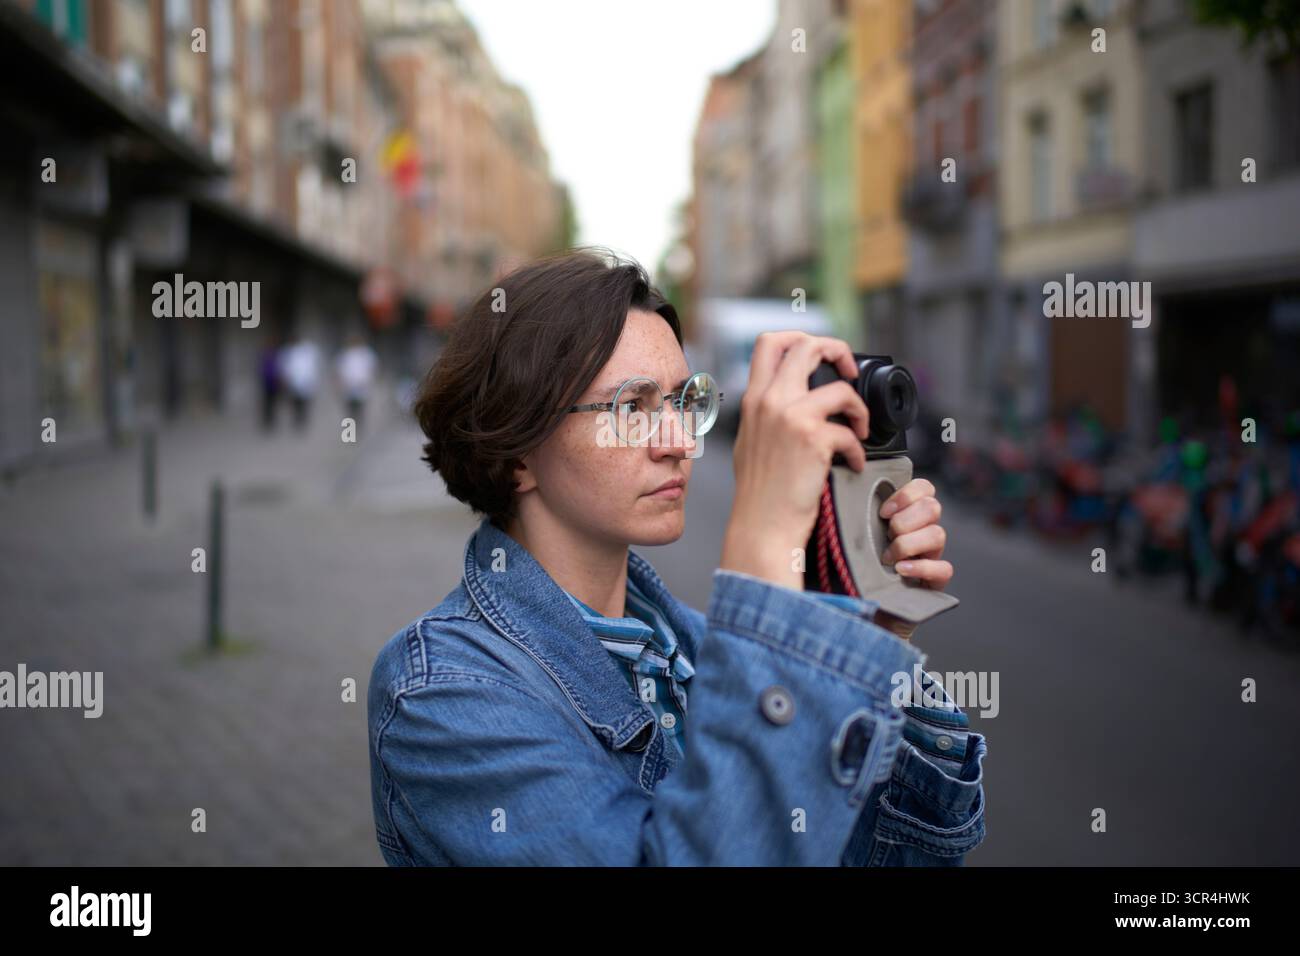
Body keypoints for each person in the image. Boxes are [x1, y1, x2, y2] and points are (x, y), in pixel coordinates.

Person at [366, 249, 986, 865]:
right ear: (516, 455)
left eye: (682, 401)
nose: (680, 441)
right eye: (631, 408)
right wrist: (765, 552)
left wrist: (872, 641)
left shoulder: (694, 646)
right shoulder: (444, 691)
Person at [335, 333, 379, 432]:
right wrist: (340, 383)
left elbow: (372, 369)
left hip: (361, 386)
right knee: (350, 410)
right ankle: (349, 434)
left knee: (359, 408)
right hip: (348, 387)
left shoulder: (366, 354)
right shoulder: (345, 354)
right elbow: (339, 370)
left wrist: (369, 381)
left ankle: (358, 429)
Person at [279, 333, 320, 432]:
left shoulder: (306, 353)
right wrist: (285, 379)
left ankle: (302, 420)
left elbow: (310, 368)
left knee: (304, 402)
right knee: (295, 403)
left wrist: (312, 381)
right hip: (294, 382)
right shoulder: (289, 352)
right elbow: (286, 368)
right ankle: (297, 420)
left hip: (304, 382)